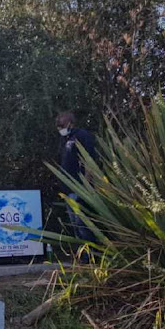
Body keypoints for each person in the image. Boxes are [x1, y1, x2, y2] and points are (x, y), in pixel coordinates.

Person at [56, 112, 97, 262]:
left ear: (70, 123)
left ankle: (90, 258)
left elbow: (90, 160)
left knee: (83, 224)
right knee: (75, 225)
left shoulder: (81, 135)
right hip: (68, 189)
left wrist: (86, 185)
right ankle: (82, 258)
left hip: (80, 188)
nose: (59, 128)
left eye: (61, 125)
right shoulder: (65, 139)